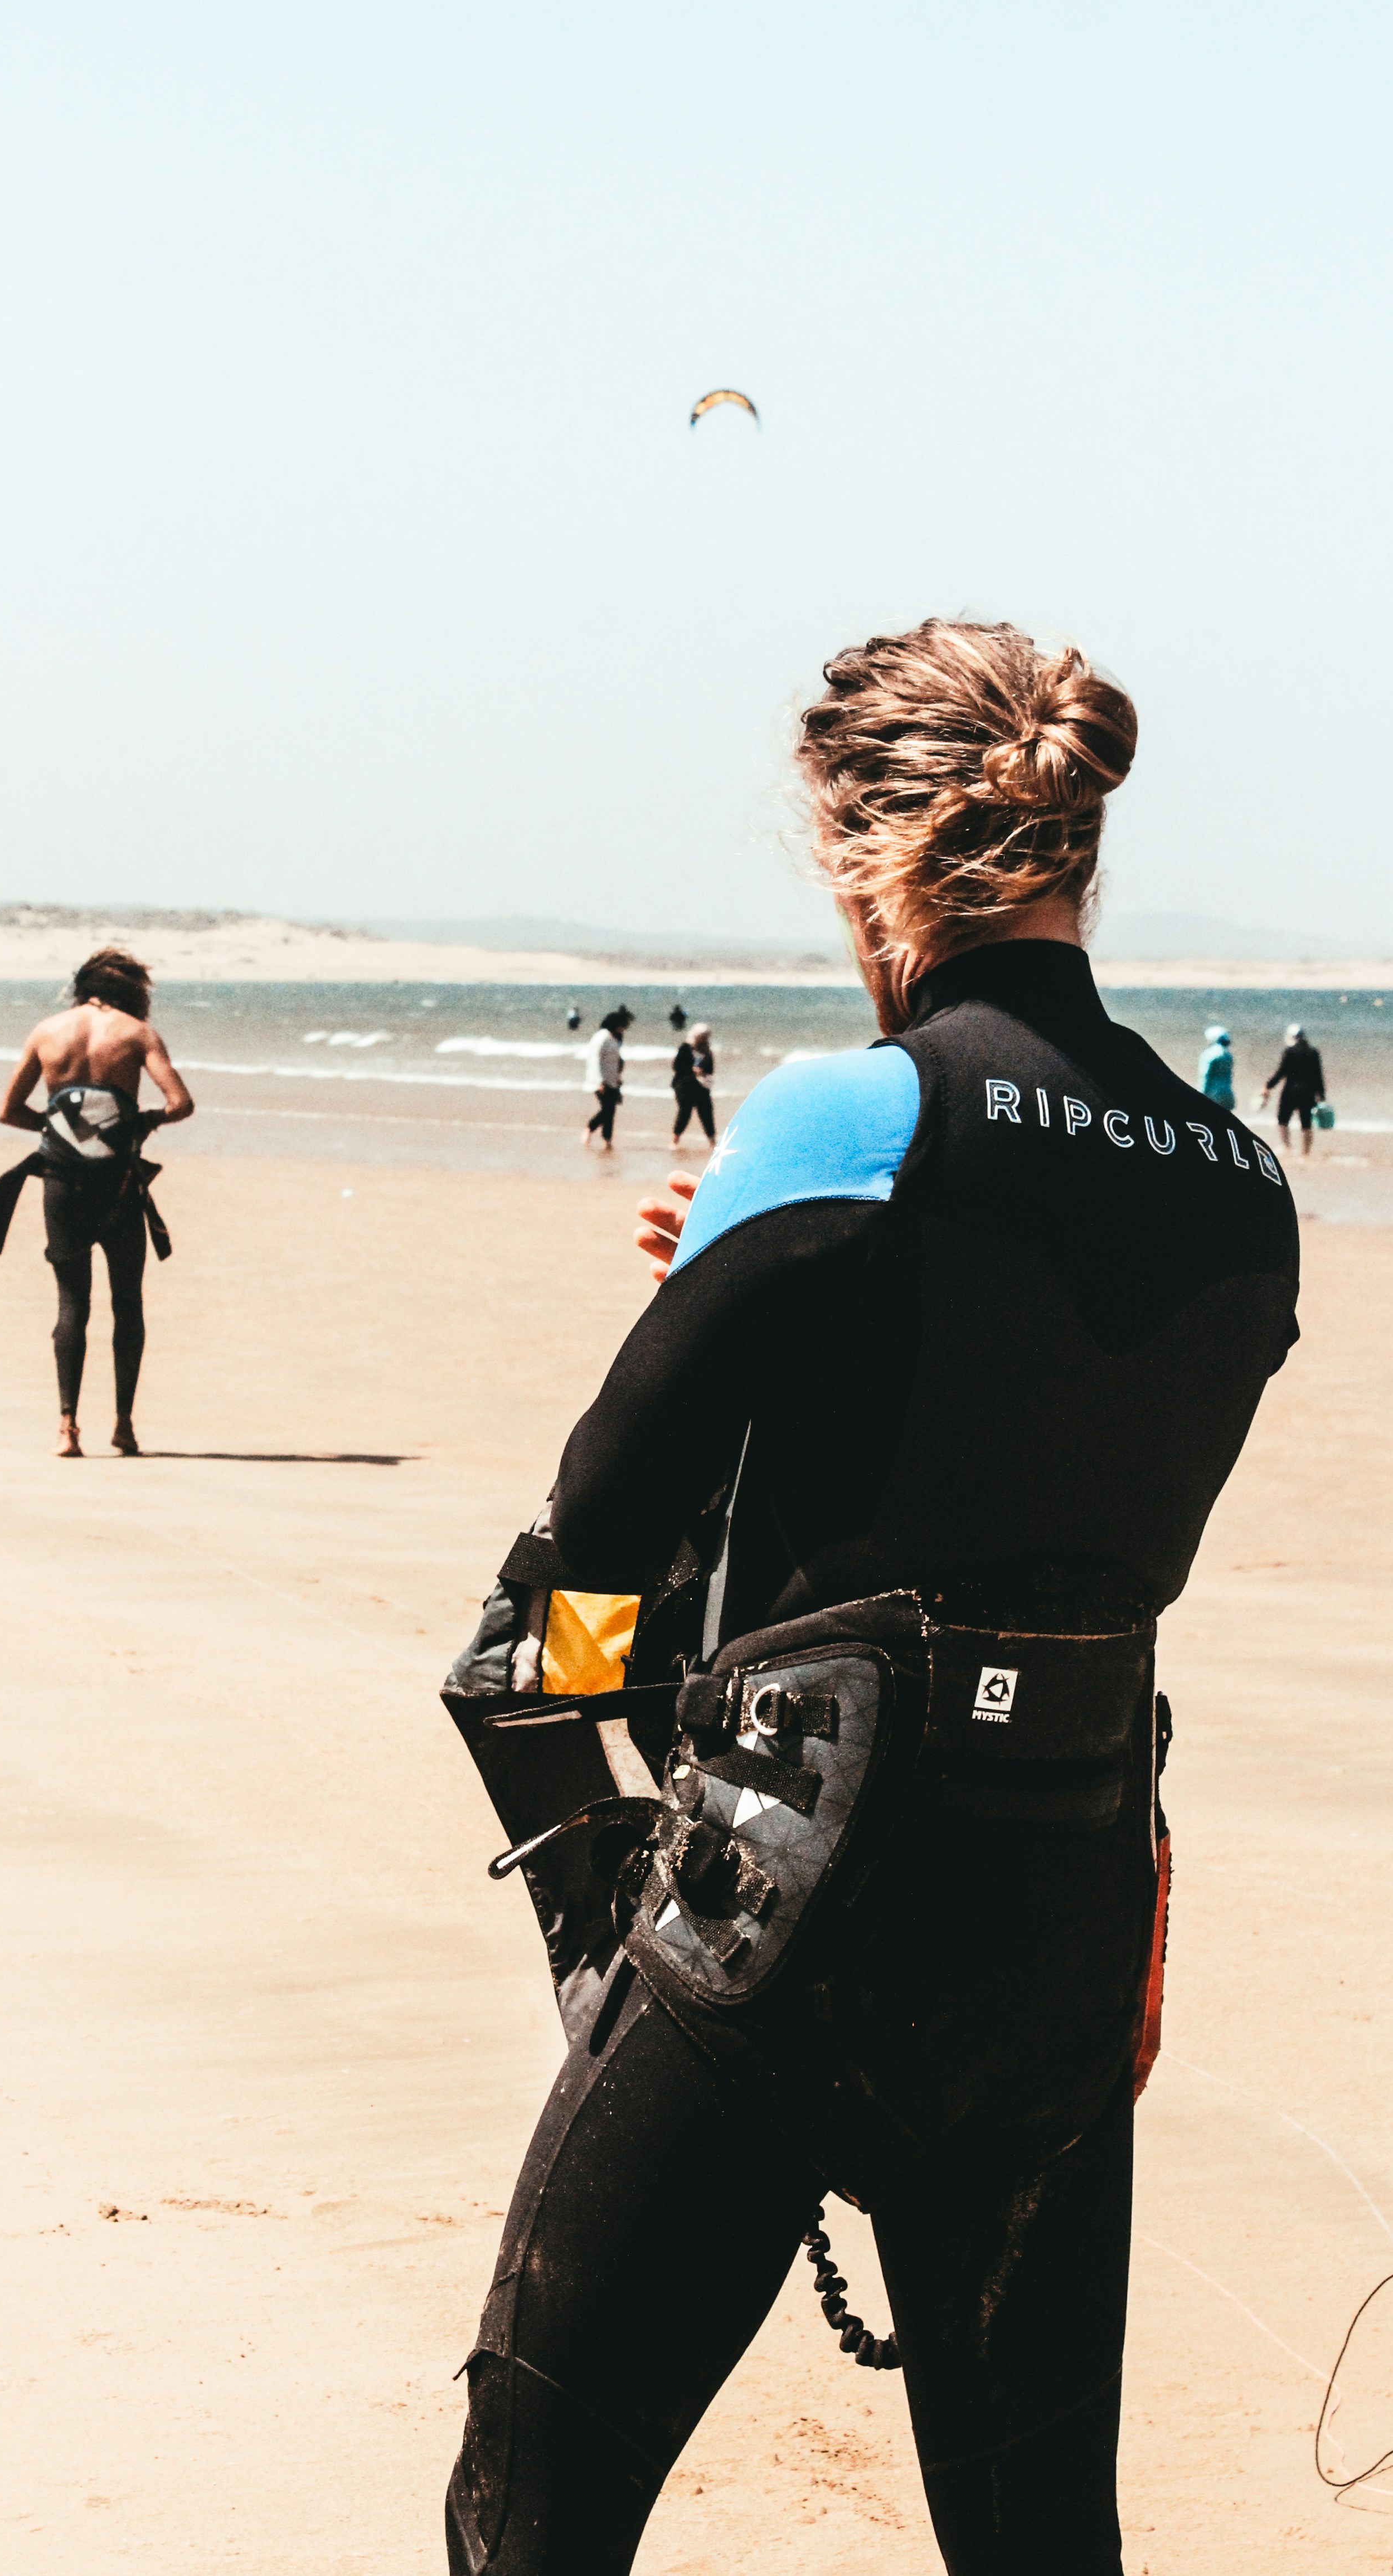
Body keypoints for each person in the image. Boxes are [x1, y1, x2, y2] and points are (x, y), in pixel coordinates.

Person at [444, 619, 1299, 2575]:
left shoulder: (846, 1119)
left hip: (787, 1928)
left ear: (866, 851)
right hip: (1065, 1939)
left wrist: (610, 1938)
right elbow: (1014, 1469)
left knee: (533, 2511)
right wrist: (761, 1288)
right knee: (1033, 2547)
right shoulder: (1242, 1177)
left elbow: (568, 1587)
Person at [0, 946, 193, 1457]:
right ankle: (124, 1426)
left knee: (71, 1304)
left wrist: (62, 1129)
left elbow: (9, 1112)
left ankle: (67, 1428)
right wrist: (141, 1122)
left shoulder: (47, 1032)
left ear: (82, 986)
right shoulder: (139, 1034)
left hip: (62, 1184)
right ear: (133, 992)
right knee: (127, 1304)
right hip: (119, 1187)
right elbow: (181, 1104)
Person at [1260, 1020, 1325, 1156]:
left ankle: (1287, 1147)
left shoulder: (1289, 1052)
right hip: (1308, 1092)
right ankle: (1306, 1152)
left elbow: (1281, 1073)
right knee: (1306, 1123)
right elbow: (1318, 1075)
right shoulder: (1313, 1053)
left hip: (1291, 1091)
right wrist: (1321, 1094)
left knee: (1283, 1120)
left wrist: (1268, 1086)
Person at [584, 1009, 629, 1151]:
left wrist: (618, 1078)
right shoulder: (601, 1037)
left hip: (613, 1080)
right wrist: (599, 1081)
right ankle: (589, 1130)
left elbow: (615, 1061)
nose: (623, 1028)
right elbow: (595, 1060)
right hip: (600, 1081)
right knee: (607, 1110)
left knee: (611, 1111)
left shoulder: (615, 1038)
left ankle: (607, 1141)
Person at [669, 1020, 716, 1147]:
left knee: (707, 1113)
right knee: (685, 1113)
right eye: (702, 1036)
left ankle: (713, 1143)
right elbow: (677, 1066)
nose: (704, 1039)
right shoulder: (685, 1048)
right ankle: (675, 1142)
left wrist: (703, 1071)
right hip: (684, 1086)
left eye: (706, 1036)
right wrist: (692, 1070)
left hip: (702, 1087)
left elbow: (711, 1069)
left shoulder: (707, 1051)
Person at [1197, 1022, 1236, 1110]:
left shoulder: (1209, 1055)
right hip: (1227, 1094)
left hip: (1213, 1095)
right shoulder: (1228, 1055)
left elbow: (1205, 1076)